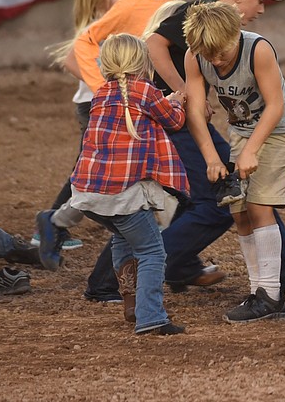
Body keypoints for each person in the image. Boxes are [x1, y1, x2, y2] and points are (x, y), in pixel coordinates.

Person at [80, 0, 285, 303]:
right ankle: (128, 276)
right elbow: (155, 44)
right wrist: (184, 92)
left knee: (239, 198)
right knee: (220, 202)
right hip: (167, 113)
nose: (262, 8)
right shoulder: (202, 17)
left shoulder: (245, 42)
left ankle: (277, 281)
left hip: (185, 115)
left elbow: (261, 99)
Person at [184, 1, 285, 323]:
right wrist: (210, 158)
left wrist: (251, 150)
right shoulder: (195, 54)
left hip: (277, 129)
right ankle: (257, 290)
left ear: (235, 34)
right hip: (242, 130)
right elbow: (194, 109)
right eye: (209, 56)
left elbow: (274, 106)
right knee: (240, 212)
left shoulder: (258, 49)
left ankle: (273, 296)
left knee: (260, 207)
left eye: (222, 53)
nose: (216, 61)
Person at [60, 33, 189, 335]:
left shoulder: (101, 93)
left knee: (123, 239)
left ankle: (131, 305)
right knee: (152, 251)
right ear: (143, 62)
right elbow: (173, 121)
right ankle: (151, 317)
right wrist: (179, 101)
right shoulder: (145, 90)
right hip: (122, 194)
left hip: (90, 195)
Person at [38, 0, 125, 252]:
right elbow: (70, 60)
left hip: (96, 104)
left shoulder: (104, 25)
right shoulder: (98, 28)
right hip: (93, 107)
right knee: (86, 169)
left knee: (88, 167)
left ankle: (54, 223)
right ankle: (51, 225)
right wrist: (100, 86)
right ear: (97, 0)